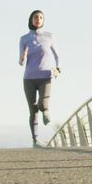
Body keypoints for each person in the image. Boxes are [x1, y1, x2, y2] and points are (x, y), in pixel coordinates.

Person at [19, 10, 61, 146]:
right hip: (29, 78)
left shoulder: (49, 36)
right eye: (36, 17)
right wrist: (22, 58)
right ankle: (35, 140)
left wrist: (58, 68)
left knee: (43, 104)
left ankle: (45, 109)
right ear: (31, 19)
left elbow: (57, 56)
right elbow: (20, 61)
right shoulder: (24, 39)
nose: (38, 19)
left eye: (41, 17)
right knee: (33, 110)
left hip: (45, 76)